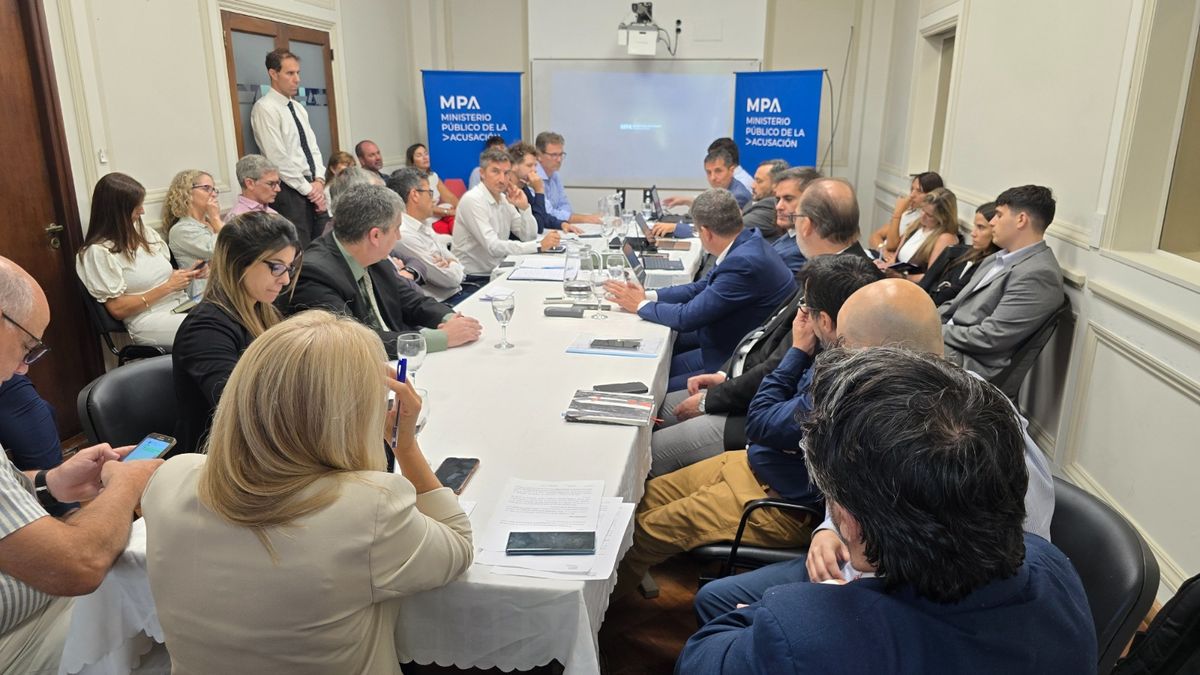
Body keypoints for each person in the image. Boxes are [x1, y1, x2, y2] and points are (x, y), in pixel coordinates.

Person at [679, 347, 1093, 674]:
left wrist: (760, 614)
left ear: (852, 524)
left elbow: (698, 660)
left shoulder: (806, 634)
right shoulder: (1054, 567)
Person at [692, 279, 1057, 621]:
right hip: (852, 567)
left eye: (843, 347)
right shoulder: (876, 407)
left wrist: (821, 615)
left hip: (911, 607)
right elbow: (852, 498)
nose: (834, 358)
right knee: (716, 600)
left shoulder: (980, 427)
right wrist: (828, 529)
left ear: (876, 354)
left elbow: (1011, 563)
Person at [143, 310, 473, 673]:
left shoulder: (169, 480)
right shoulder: (370, 507)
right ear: (353, 414)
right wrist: (405, 446)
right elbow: (457, 545)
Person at [612, 255, 880, 600]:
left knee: (642, 533)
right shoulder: (834, 350)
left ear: (825, 321)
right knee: (638, 502)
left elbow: (760, 420)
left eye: (806, 307)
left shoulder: (841, 380)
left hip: (775, 499)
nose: (801, 314)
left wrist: (797, 351)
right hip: (753, 463)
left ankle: (592, 636)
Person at [0, 256, 162, 674]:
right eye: (28, 347)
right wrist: (125, 487)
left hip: (38, 606)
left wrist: (50, 483)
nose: (23, 367)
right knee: (173, 616)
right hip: (20, 636)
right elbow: (79, 565)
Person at [649, 181, 874, 477]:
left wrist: (711, 399)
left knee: (652, 448)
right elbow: (767, 335)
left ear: (806, 225)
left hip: (766, 418)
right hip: (749, 389)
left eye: (794, 212)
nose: (782, 210)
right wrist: (722, 376)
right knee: (653, 411)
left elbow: (786, 366)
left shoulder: (846, 283)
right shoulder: (827, 267)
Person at [605, 189, 795, 391]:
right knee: (649, 369)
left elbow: (686, 317)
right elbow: (700, 287)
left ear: (705, 232)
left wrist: (640, 305)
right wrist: (648, 296)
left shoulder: (743, 262)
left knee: (652, 386)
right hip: (724, 348)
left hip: (733, 365)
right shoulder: (749, 241)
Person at [282, 183, 481, 355]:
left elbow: (411, 300)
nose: (399, 237)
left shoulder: (372, 255)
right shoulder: (314, 274)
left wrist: (450, 319)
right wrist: (442, 338)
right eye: (396, 229)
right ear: (375, 236)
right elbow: (356, 342)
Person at [172, 212, 300, 456]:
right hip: (223, 460)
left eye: (289, 268)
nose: (285, 280)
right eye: (276, 267)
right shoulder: (205, 328)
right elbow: (241, 410)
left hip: (260, 448)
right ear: (239, 262)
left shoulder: (264, 311)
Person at [940, 185, 1064, 381]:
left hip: (969, 363)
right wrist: (923, 318)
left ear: (1021, 219)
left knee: (890, 337)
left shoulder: (1039, 274)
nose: (991, 222)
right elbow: (956, 306)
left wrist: (932, 330)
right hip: (950, 341)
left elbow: (991, 338)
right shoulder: (997, 257)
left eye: (998, 215)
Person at [77, 173, 204, 347]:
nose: (142, 211)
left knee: (234, 315)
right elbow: (118, 309)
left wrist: (188, 274)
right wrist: (168, 287)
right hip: (147, 320)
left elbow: (154, 276)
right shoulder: (98, 253)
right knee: (208, 330)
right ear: (116, 212)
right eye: (136, 207)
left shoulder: (144, 234)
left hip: (180, 305)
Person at [250, 48, 328, 246]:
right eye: (290, 73)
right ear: (273, 74)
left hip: (312, 185)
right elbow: (277, 158)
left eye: (298, 73)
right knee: (300, 249)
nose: (297, 79)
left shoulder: (298, 108)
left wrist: (319, 179)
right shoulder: (265, 108)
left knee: (323, 246)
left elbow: (312, 147)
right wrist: (309, 190)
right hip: (290, 190)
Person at [453, 148, 562, 281]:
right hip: (474, 279)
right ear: (482, 173)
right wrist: (538, 246)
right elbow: (492, 246)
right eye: (495, 172)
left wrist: (524, 208)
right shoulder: (473, 200)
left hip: (499, 271)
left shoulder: (503, 199)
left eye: (506, 173)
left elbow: (528, 236)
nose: (502, 179)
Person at [388, 167, 471, 304]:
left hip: (457, 293)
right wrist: (453, 265)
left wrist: (452, 263)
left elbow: (454, 261)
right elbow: (448, 279)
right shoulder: (403, 233)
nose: (433, 200)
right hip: (444, 304)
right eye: (430, 193)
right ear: (415, 195)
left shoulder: (422, 222)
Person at [921, 201, 1000, 305]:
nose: (973, 233)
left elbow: (951, 295)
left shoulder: (991, 266)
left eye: (981, 227)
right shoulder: (959, 253)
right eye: (974, 226)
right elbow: (927, 282)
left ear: (996, 230)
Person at [877, 186, 959, 283]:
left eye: (929, 215)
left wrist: (902, 277)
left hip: (911, 286)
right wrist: (883, 266)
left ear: (943, 218)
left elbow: (930, 277)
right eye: (923, 210)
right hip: (895, 279)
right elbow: (895, 257)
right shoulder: (916, 225)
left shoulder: (945, 238)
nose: (923, 216)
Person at [163, 170, 224, 296]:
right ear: (187, 192)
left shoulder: (209, 223)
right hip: (205, 296)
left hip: (225, 287)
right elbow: (220, 249)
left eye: (214, 189)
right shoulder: (181, 230)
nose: (213, 194)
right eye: (206, 188)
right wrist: (216, 219)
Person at [658, 148, 753, 224]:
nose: (713, 178)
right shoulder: (723, 189)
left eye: (718, 171)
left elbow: (715, 229)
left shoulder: (738, 196)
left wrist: (676, 229)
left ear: (731, 171)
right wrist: (686, 200)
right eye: (708, 172)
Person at [868, 170, 943, 256]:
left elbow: (892, 246)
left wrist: (897, 213)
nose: (912, 195)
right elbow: (875, 236)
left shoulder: (924, 220)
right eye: (912, 189)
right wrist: (882, 250)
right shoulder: (909, 212)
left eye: (919, 191)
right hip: (879, 255)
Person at [534, 131, 599, 229]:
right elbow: (547, 212)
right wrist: (583, 218)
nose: (559, 160)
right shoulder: (533, 178)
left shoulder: (555, 175)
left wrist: (572, 218)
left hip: (558, 226)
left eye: (561, 155)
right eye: (554, 155)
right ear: (539, 155)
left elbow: (565, 205)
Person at [766, 167, 823, 273]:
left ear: (812, 201)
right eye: (778, 199)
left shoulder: (803, 250)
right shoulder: (792, 233)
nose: (779, 206)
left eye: (788, 199)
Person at [509, 141, 565, 234]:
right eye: (529, 165)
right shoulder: (507, 192)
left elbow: (539, 214)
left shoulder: (523, 187)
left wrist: (561, 224)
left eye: (535, 165)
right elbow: (537, 227)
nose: (534, 170)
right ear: (513, 166)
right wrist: (539, 190)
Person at [405, 143, 459, 221]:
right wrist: (448, 212)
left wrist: (460, 209)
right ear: (412, 161)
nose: (425, 158)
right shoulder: (411, 179)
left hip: (439, 215)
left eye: (426, 154)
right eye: (419, 155)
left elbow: (449, 197)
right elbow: (424, 206)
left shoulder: (433, 175)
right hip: (424, 218)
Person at [741, 158, 788, 241]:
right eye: (754, 179)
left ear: (776, 185)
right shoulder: (755, 201)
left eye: (759, 181)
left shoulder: (772, 209)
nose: (753, 185)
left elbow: (731, 229)